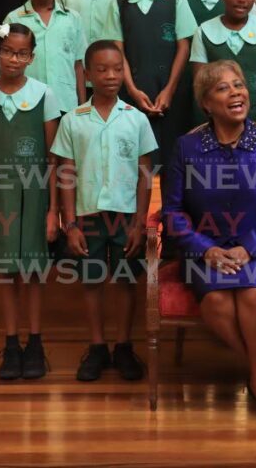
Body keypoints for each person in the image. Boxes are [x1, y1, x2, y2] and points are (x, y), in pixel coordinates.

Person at [162, 60, 256, 425]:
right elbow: (173, 213)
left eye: (239, 85)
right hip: (205, 250)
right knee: (218, 301)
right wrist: (205, 248)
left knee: (255, 294)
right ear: (206, 103)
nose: (236, 92)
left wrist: (249, 247)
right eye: (223, 88)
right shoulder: (186, 147)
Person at [51, 40, 157, 382]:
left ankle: (124, 346)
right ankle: (97, 347)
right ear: (88, 74)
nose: (110, 76)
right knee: (92, 281)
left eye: (116, 69)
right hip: (86, 216)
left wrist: (141, 222)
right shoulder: (73, 120)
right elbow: (65, 174)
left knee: (126, 281)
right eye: (102, 70)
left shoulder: (136, 119)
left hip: (125, 217)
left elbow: (145, 175)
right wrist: (71, 224)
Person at [0, 23, 61, 380]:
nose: (14, 59)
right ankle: (11, 344)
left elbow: (53, 156)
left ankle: (35, 343)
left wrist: (54, 210)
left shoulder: (44, 95)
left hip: (36, 196)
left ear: (31, 57)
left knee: (34, 272)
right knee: (6, 272)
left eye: (22, 53)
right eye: (8, 51)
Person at [115, 0, 199, 169]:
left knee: (174, 156)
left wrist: (169, 90)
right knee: (137, 158)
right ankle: (138, 206)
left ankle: (170, 206)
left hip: (170, 90)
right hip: (134, 90)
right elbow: (117, 50)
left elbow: (184, 46)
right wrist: (132, 90)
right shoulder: (121, 3)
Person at [3, 0, 83, 114]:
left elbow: (78, 66)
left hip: (65, 105)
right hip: (26, 105)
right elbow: (5, 66)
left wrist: (81, 107)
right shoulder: (14, 19)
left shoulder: (72, 18)